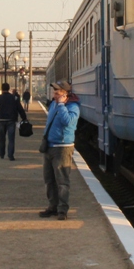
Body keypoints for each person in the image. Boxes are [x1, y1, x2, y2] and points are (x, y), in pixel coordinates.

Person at [39, 81, 80, 221]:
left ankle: (62, 209)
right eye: (54, 92)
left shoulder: (73, 107)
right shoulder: (53, 104)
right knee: (49, 179)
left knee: (62, 181)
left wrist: (62, 105)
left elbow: (68, 121)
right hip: (49, 146)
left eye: (57, 93)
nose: (54, 95)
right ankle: (52, 206)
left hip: (62, 148)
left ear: (65, 94)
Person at [0, 82, 27, 161]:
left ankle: (1, 154)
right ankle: (10, 156)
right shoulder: (14, 97)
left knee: (2, 138)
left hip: (1, 120)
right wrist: (24, 118)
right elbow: (20, 108)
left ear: (2, 89)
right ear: (9, 88)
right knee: (11, 139)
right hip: (11, 120)